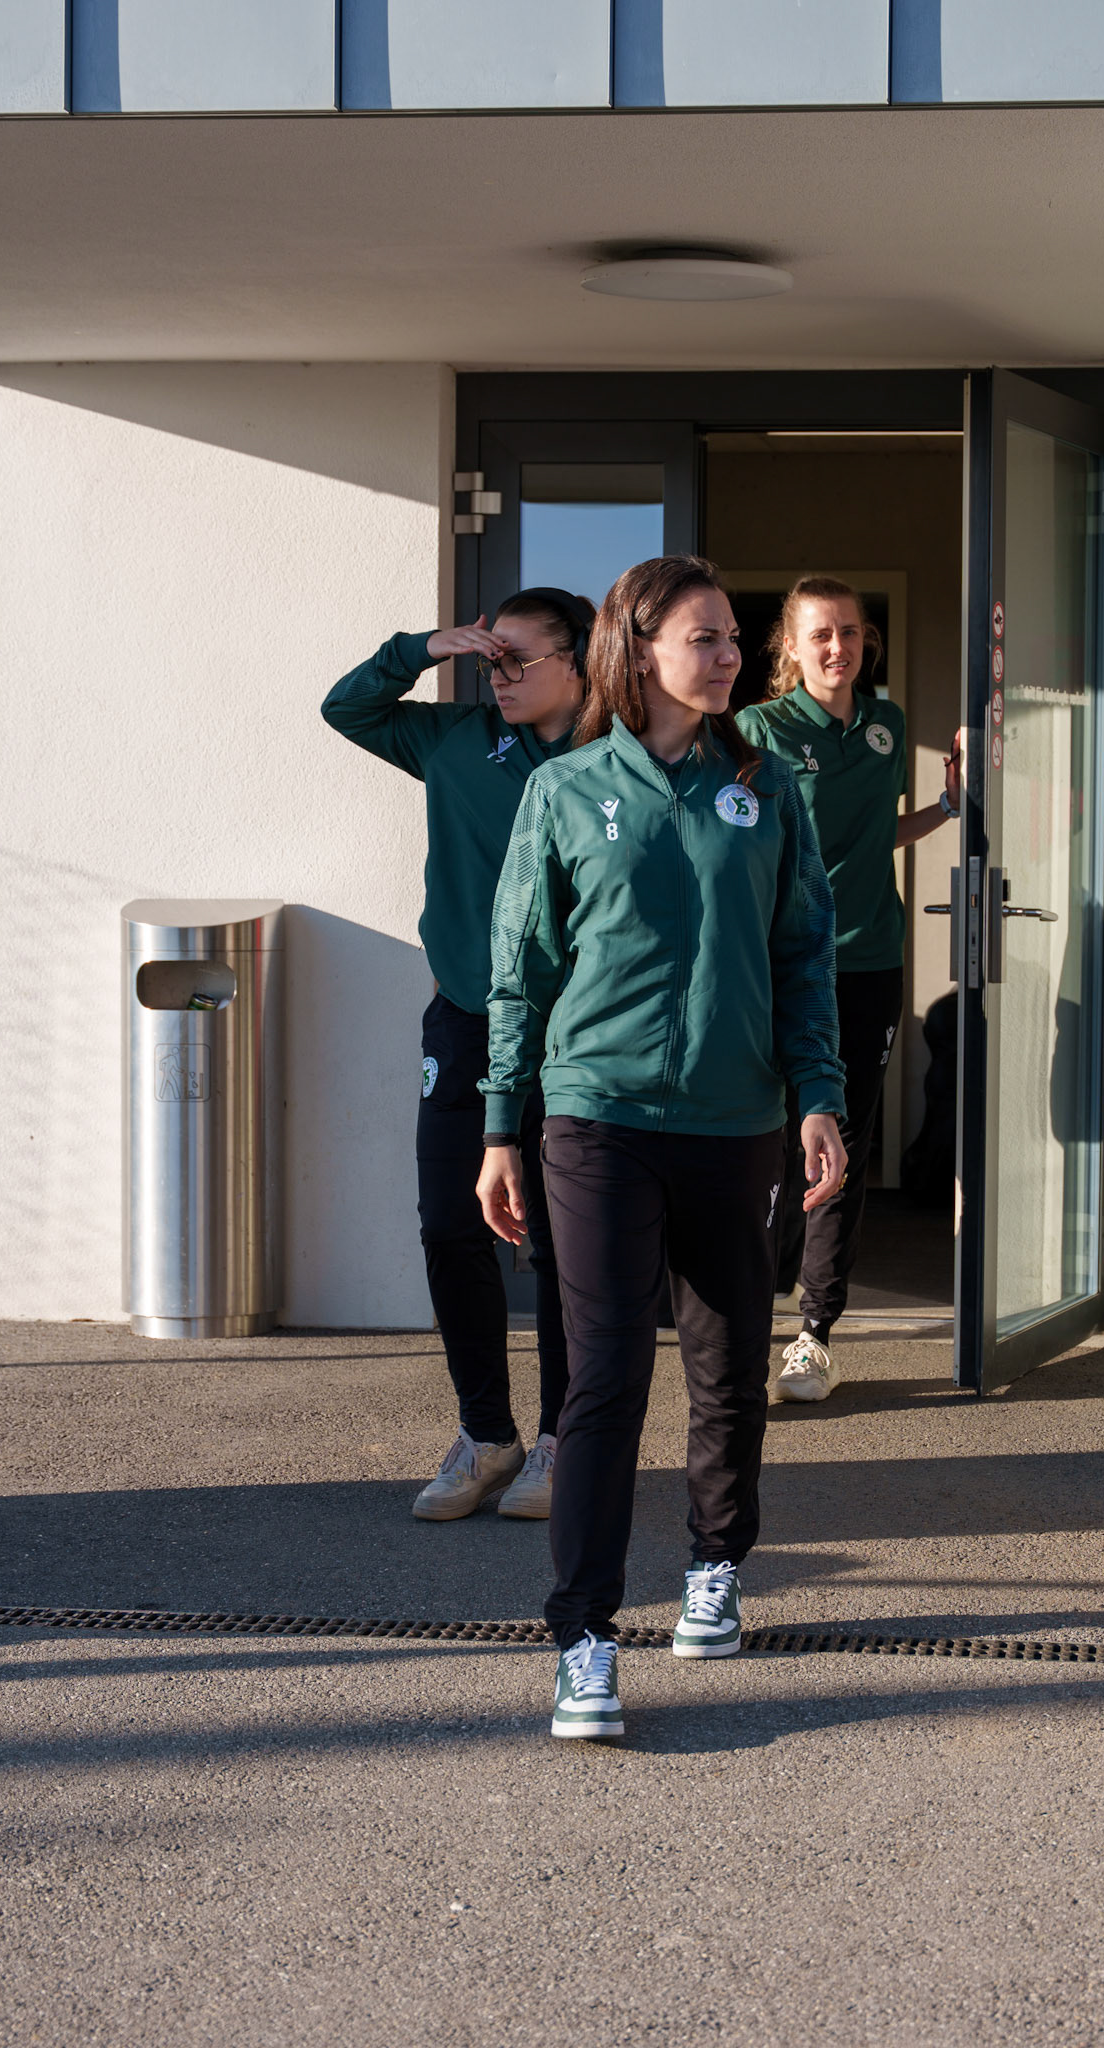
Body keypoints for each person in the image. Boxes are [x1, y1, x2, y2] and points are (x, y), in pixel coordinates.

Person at [475, 555, 847, 1741]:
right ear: (638, 650)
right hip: (597, 1116)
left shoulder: (765, 787)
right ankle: (584, 1634)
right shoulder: (566, 789)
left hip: (734, 1122)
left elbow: (804, 950)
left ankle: (714, 1565)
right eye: (706, 637)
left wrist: (818, 1095)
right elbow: (520, 969)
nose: (730, 655)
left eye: (735, 637)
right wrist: (501, 1124)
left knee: (729, 1366)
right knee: (605, 1378)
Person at [321, 589, 596, 1521]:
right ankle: (487, 1435)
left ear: (578, 661)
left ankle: (561, 1440)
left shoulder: (614, 758)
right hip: (465, 1020)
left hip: (574, 1033)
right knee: (449, 1225)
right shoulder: (452, 740)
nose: (498, 676)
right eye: (488, 659)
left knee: (562, 1243)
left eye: (519, 659)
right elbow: (347, 707)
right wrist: (423, 647)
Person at [736, 577, 960, 1403]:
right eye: (821, 634)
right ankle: (742, 1319)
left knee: (846, 1146)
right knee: (766, 1136)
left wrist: (947, 805)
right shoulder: (757, 728)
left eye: (852, 633)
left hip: (867, 962)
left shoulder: (885, 724)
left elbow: (874, 835)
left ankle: (814, 1334)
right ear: (790, 648)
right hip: (779, 965)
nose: (839, 648)